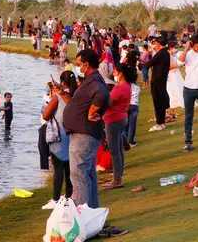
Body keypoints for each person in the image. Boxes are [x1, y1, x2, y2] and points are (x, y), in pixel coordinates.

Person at [63, 49, 110, 208]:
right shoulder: (90, 80)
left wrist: (91, 112)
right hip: (85, 133)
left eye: (78, 65)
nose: (78, 68)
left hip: (83, 135)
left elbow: (102, 95)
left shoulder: (94, 81)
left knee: (78, 176)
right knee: (87, 175)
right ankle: (91, 211)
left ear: (86, 64)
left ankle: (81, 215)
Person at [41, 71, 77, 210]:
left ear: (62, 82)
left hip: (59, 134)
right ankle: (68, 195)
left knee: (57, 168)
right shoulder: (76, 93)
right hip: (72, 134)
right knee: (68, 167)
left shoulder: (59, 96)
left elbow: (45, 115)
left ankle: (55, 199)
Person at [102, 63, 134, 189]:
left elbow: (108, 103)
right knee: (118, 149)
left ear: (121, 73)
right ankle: (117, 175)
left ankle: (117, 180)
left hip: (114, 120)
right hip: (121, 118)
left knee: (114, 151)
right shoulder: (127, 86)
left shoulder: (120, 88)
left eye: (115, 71)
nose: (114, 73)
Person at [143, 37, 170, 132]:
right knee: (161, 101)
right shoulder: (166, 53)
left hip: (157, 80)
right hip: (162, 80)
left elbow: (148, 64)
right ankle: (162, 122)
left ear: (158, 44)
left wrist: (141, 63)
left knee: (157, 102)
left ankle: (159, 123)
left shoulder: (160, 53)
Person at [166, 42, 185, 119]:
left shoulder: (174, 55)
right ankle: (167, 111)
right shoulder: (167, 55)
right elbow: (168, 67)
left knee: (177, 91)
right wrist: (178, 65)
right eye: (174, 47)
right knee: (170, 92)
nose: (175, 49)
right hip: (170, 76)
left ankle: (173, 110)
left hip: (176, 74)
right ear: (171, 48)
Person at [125, 74, 141, 147]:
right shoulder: (137, 87)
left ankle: (124, 140)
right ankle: (130, 141)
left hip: (126, 106)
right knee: (132, 124)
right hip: (134, 105)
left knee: (126, 123)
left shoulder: (124, 87)